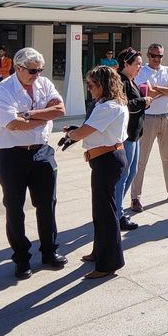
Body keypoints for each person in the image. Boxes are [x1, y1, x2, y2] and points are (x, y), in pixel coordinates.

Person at [0, 47, 67, 279]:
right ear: (18, 68)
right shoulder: (3, 90)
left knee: (47, 204)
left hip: (42, 152)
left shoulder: (44, 84)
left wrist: (29, 115)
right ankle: (22, 259)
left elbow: (60, 110)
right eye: (32, 70)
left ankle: (49, 251)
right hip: (13, 155)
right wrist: (43, 116)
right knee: (14, 208)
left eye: (40, 70)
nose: (37, 74)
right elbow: (12, 124)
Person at [61, 65, 128, 280]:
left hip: (107, 159)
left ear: (102, 85)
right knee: (100, 211)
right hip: (105, 158)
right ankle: (100, 252)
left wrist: (73, 134)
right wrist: (75, 132)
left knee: (105, 213)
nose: (88, 89)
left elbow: (84, 132)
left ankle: (109, 263)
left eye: (91, 85)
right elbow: (90, 130)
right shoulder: (107, 104)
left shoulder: (107, 107)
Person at [131, 42, 168, 210]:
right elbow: (147, 94)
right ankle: (135, 197)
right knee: (141, 160)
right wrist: (164, 90)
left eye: (160, 56)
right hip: (148, 119)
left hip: (166, 118)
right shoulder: (142, 72)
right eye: (154, 55)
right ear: (148, 55)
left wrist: (157, 88)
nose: (157, 59)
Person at [115, 47, 150, 230]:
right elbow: (123, 105)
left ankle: (116, 208)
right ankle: (117, 213)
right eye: (137, 64)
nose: (140, 67)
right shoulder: (121, 82)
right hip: (127, 135)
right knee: (123, 174)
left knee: (132, 172)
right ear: (126, 64)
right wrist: (143, 102)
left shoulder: (131, 80)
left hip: (135, 134)